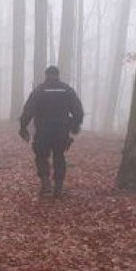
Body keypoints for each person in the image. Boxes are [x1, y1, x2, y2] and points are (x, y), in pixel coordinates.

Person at [19, 66, 84, 198]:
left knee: (41, 156)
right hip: (61, 130)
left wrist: (23, 126)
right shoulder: (67, 90)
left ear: (46, 75)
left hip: (43, 129)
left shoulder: (39, 90)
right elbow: (78, 111)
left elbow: (28, 110)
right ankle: (59, 187)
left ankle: (46, 184)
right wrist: (75, 125)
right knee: (59, 155)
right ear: (58, 75)